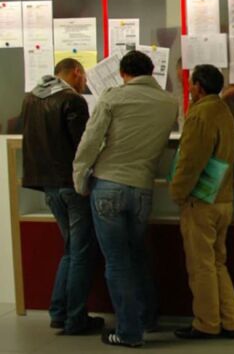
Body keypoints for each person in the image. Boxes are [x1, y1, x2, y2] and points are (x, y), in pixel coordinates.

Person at [73, 51, 179, 348]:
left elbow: (90, 141)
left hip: (108, 185)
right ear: (152, 71)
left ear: (122, 73)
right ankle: (147, 318)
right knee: (138, 255)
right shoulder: (169, 103)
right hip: (143, 189)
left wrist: (80, 178)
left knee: (117, 262)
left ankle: (128, 332)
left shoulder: (113, 98)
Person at [20, 58, 104, 335]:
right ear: (77, 73)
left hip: (47, 186)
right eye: (84, 78)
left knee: (70, 249)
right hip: (72, 185)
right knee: (80, 252)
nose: (84, 84)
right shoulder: (72, 100)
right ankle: (75, 317)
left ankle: (58, 312)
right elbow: (84, 145)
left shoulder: (31, 99)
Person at [170, 65, 234, 340]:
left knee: (200, 266)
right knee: (217, 262)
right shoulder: (224, 112)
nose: (190, 89)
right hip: (224, 199)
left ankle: (206, 323)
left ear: (198, 86)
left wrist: (178, 192)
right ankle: (231, 320)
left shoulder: (200, 115)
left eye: (191, 84)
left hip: (201, 202)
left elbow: (191, 161)